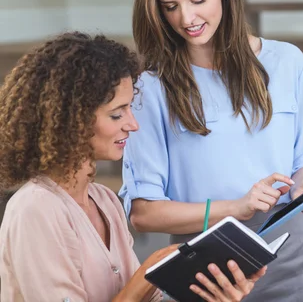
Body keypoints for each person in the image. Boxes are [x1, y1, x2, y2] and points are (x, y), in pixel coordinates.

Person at [118, 0, 303, 301]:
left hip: (292, 259)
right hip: (206, 272)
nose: (186, 18)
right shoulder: (149, 89)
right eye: (170, 6)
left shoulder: (288, 63)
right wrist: (236, 208)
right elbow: (144, 214)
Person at [0, 32, 265, 302]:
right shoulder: (35, 210)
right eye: (117, 114)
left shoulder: (104, 201)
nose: (133, 124)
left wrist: (212, 295)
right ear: (72, 120)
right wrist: (147, 274)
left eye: (130, 109)